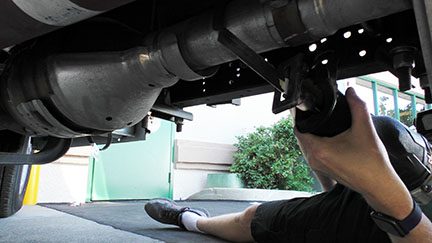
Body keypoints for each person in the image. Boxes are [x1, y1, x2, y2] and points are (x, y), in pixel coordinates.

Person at [145, 88, 432, 242]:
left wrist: (392, 203)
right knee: (395, 144)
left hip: (408, 226)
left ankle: (190, 219)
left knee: (251, 220)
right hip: (402, 193)